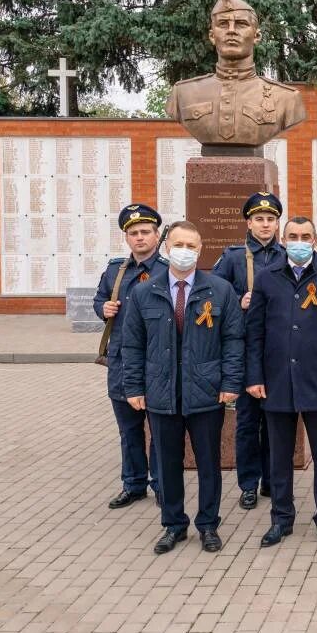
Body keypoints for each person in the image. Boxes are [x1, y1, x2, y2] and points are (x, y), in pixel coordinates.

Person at [122, 220, 244, 554]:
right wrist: (134, 387)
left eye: (192, 246)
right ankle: (173, 524)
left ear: (201, 249)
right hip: (161, 393)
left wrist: (231, 383)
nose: (185, 252)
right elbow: (131, 345)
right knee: (167, 463)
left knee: (208, 463)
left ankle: (208, 525)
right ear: (165, 247)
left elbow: (234, 341)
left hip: (205, 391)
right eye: (179, 245)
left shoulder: (219, 290)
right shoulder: (145, 291)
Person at [245, 216, 317, 549]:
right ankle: (281, 519)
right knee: (279, 457)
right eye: (292, 236)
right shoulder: (267, 277)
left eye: (305, 236)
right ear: (283, 239)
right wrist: (254, 376)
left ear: (315, 240)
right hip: (276, 380)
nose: (299, 241)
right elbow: (255, 332)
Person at [212, 191, 284, 510]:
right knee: (246, 422)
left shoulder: (286, 256)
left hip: (278, 350)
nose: (265, 225)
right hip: (244, 350)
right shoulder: (232, 258)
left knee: (275, 420)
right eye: (259, 219)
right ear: (248, 222)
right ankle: (248, 484)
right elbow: (211, 298)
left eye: (270, 219)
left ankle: (271, 479)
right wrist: (238, 301)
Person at [92, 203, 167, 510]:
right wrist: (103, 309)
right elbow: (100, 299)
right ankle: (133, 484)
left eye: (145, 232)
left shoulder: (166, 270)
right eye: (133, 233)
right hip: (122, 363)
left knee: (160, 432)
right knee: (129, 430)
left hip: (156, 362)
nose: (140, 238)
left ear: (157, 234)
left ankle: (163, 484)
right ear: (126, 237)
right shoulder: (115, 271)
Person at [166, 0, 305, 148]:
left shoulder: (286, 99)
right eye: (223, 24)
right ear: (212, 36)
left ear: (256, 36)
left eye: (241, 24)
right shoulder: (183, 93)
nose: (231, 31)